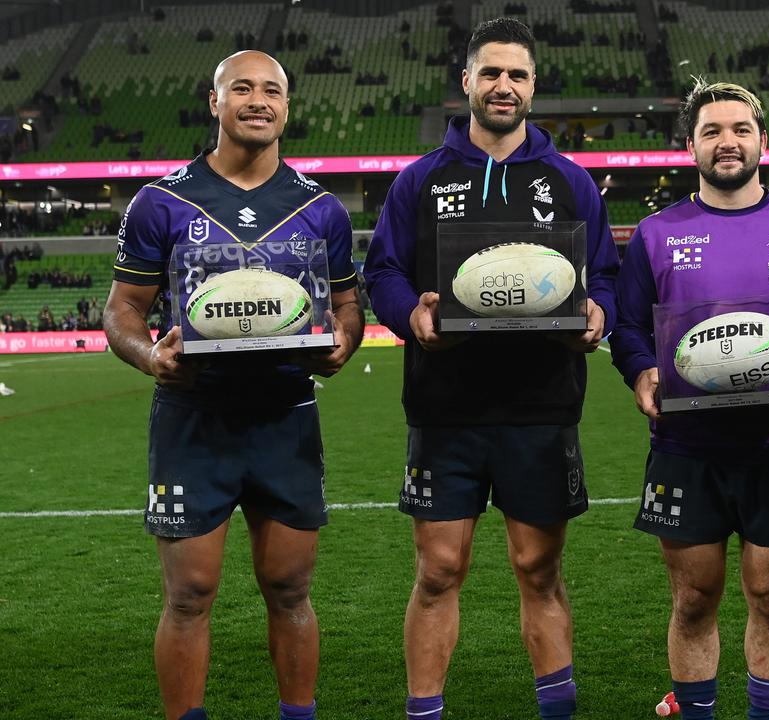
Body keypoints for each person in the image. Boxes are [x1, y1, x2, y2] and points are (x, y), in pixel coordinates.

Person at [362, 18, 618, 720]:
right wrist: (408, 315)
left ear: (533, 88)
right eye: (492, 73)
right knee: (439, 571)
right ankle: (424, 711)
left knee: (540, 570)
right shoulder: (421, 181)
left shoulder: (570, 182)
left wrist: (601, 316)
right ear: (468, 82)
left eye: (519, 75)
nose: (505, 86)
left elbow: (610, 277)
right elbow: (381, 270)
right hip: (446, 409)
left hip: (542, 407)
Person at [103, 50, 363, 720]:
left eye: (271, 90)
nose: (257, 100)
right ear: (214, 101)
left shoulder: (320, 208)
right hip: (195, 417)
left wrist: (344, 341)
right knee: (189, 594)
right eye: (241, 88)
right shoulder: (162, 201)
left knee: (289, 586)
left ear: (286, 106)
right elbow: (123, 310)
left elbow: (347, 305)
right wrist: (148, 357)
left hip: (285, 413)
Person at [609, 79, 769, 720]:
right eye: (712, 131)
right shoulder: (658, 234)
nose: (728, 142)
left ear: (762, 141)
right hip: (686, 447)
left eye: (741, 129)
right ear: (690, 145)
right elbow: (629, 327)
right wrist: (640, 373)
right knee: (694, 599)